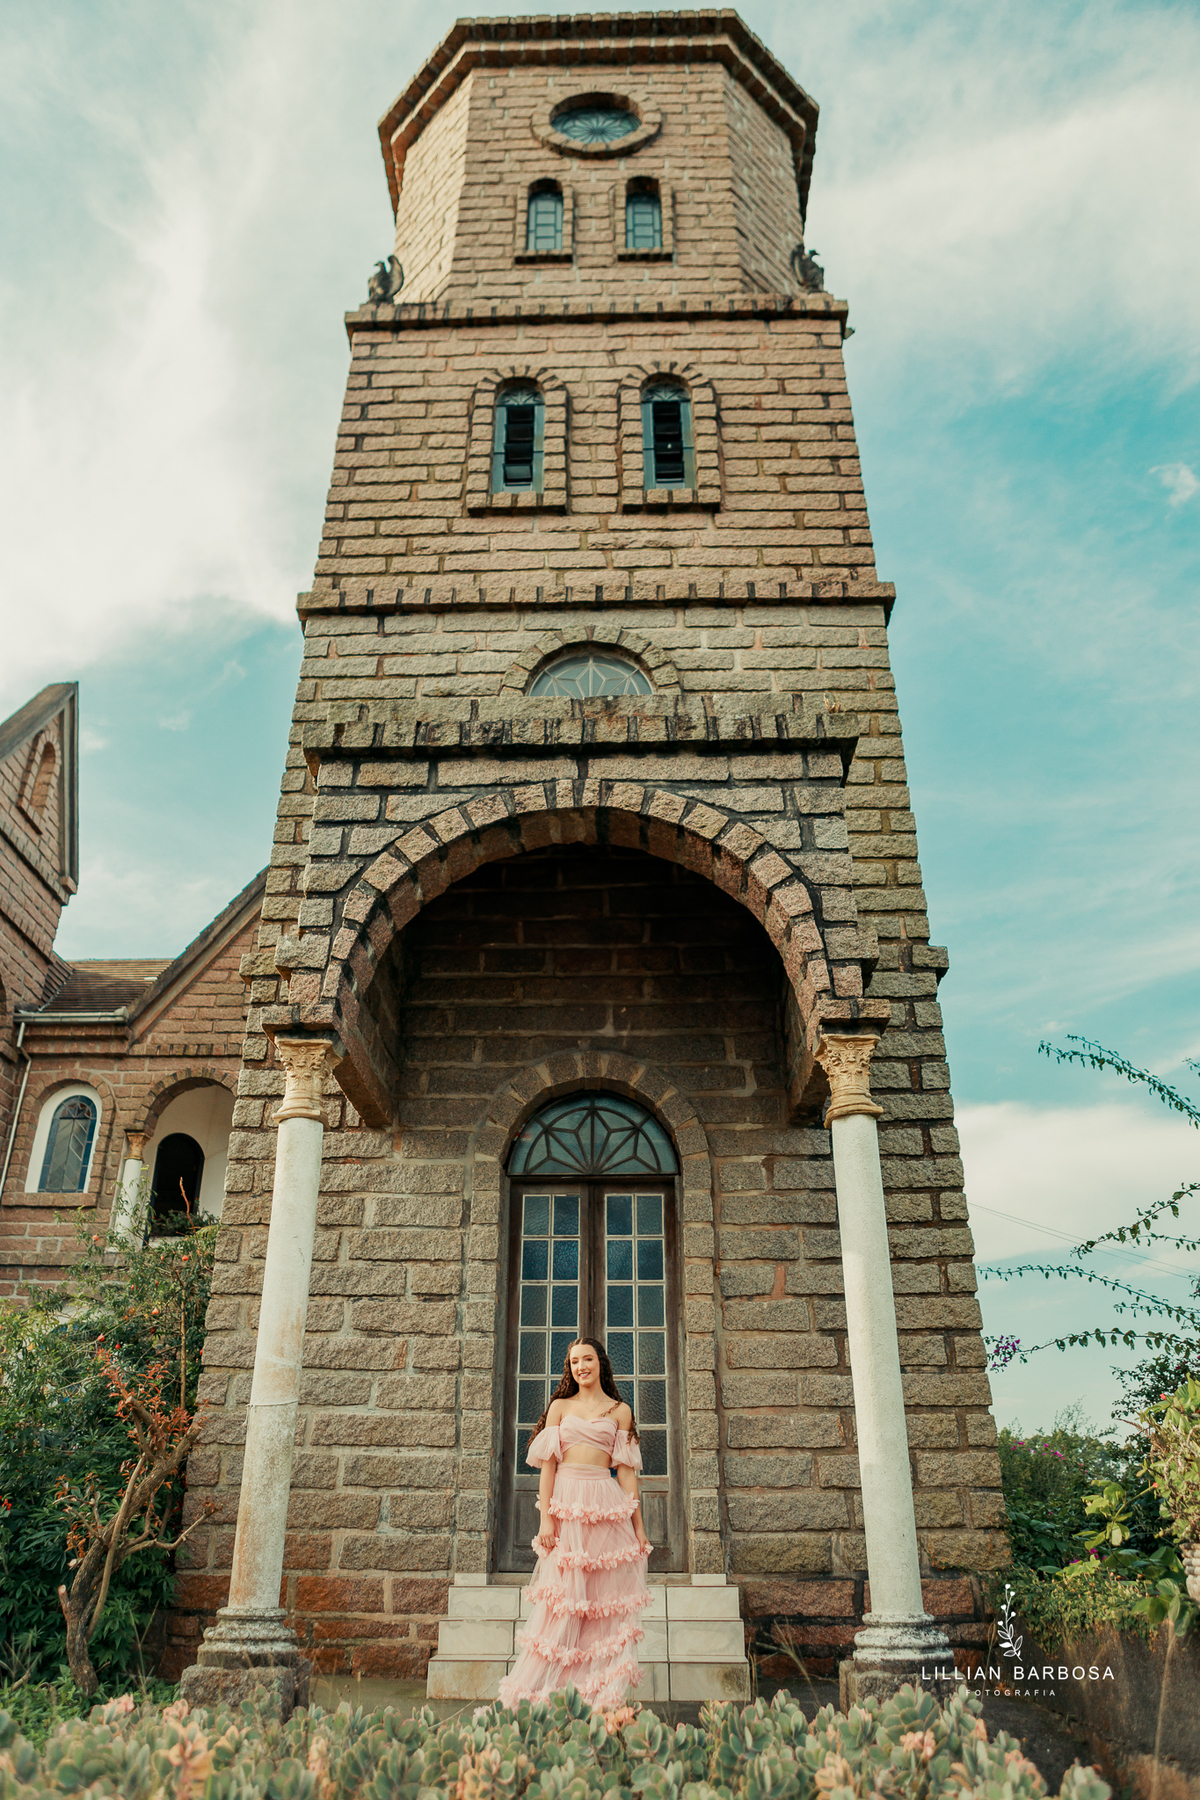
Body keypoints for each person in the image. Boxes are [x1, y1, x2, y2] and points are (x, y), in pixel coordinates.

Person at [497, 1336, 653, 1709]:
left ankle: (596, 1697)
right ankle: (544, 1695)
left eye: (587, 1359)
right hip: (566, 1505)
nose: (581, 1366)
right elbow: (548, 1467)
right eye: (574, 1362)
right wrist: (546, 1519)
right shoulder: (560, 1407)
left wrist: (638, 1526)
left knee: (600, 1604)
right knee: (564, 1602)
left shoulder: (620, 1411)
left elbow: (626, 1472)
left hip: (604, 1506)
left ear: (601, 1363)